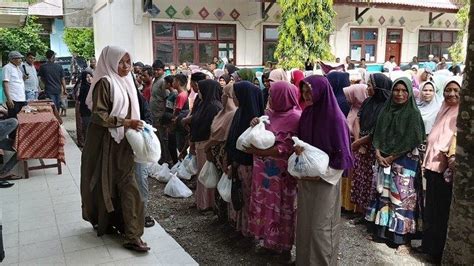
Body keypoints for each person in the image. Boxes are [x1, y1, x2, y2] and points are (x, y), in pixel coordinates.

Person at [81, 45, 149, 252]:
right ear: (110, 62)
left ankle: (132, 234)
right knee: (104, 184)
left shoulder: (127, 81)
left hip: (124, 143)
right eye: (121, 61)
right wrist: (126, 122)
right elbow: (98, 115)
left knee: (129, 187)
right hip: (105, 144)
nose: (126, 66)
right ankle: (110, 223)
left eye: (128, 61)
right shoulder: (105, 82)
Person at [295, 75, 353, 265]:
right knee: (305, 226)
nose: (306, 95)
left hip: (325, 182)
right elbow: (301, 141)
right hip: (306, 178)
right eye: (303, 91)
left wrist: (320, 175)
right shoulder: (307, 113)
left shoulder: (336, 119)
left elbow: (342, 156)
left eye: (310, 91)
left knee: (322, 228)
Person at [366, 77, 425, 253]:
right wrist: (377, 153)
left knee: (401, 200)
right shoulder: (385, 111)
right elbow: (376, 134)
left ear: (409, 92)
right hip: (383, 160)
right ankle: (382, 233)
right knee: (383, 196)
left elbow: (412, 139)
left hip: (404, 163)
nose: (399, 94)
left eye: (403, 90)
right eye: (396, 90)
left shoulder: (413, 114)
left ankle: (401, 239)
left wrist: (391, 157)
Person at [245, 81, 301, 260]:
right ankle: (268, 242)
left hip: (282, 176)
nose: (268, 98)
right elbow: (261, 135)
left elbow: (285, 148)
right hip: (264, 175)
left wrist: (258, 151)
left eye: (272, 95)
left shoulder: (295, 118)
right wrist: (255, 123)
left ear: (282, 97)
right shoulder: (269, 114)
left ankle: (283, 248)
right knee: (265, 207)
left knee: (283, 209)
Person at [421, 77, 461, 263]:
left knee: (440, 212)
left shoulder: (461, 113)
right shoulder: (443, 109)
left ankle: (437, 251)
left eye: (456, 90)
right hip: (433, 167)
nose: (451, 94)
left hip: (445, 171)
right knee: (431, 209)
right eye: (448, 90)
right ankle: (429, 247)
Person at [226, 81, 264, 236]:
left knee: (248, 198)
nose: (233, 98)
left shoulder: (255, 119)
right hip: (238, 164)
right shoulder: (240, 112)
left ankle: (249, 231)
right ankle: (240, 228)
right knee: (241, 197)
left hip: (248, 165)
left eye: (236, 96)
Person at [350, 74, 392, 214]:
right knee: (361, 180)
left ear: (378, 88)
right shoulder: (368, 101)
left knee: (373, 183)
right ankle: (362, 212)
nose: (367, 88)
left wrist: (360, 142)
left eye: (369, 85)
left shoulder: (387, 106)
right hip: (362, 147)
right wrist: (358, 141)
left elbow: (378, 130)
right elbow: (357, 119)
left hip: (375, 149)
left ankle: (371, 215)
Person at [204, 83, 237, 221]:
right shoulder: (221, 113)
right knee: (218, 182)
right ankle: (219, 213)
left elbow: (223, 136)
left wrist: (208, 145)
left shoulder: (232, 114)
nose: (222, 97)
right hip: (215, 152)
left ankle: (226, 216)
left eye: (225, 94)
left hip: (223, 153)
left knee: (224, 183)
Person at [190, 79, 223, 211]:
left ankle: (206, 203)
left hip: (207, 145)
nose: (199, 92)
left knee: (206, 175)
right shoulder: (204, 104)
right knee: (202, 175)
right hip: (200, 143)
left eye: (201, 89)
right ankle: (202, 201)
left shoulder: (214, 106)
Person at [150, 59, 171, 164]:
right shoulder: (156, 80)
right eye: (154, 70)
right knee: (157, 138)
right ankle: (161, 158)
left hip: (160, 114)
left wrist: (164, 116)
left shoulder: (163, 81)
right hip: (154, 114)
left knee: (163, 138)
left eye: (158, 70)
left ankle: (167, 160)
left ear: (163, 70)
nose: (155, 72)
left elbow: (167, 98)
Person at [2, 51, 27, 119]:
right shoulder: (7, 68)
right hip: (14, 98)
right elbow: (5, 83)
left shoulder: (18, 68)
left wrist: (24, 78)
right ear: (12, 59)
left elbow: (18, 82)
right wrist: (9, 98)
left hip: (21, 97)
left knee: (22, 118)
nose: (20, 60)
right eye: (18, 58)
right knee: (13, 119)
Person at [77, 70, 94, 140]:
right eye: (87, 77)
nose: (89, 78)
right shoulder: (85, 87)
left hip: (91, 111)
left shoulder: (91, 86)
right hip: (86, 111)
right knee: (87, 128)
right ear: (84, 78)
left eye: (90, 76)